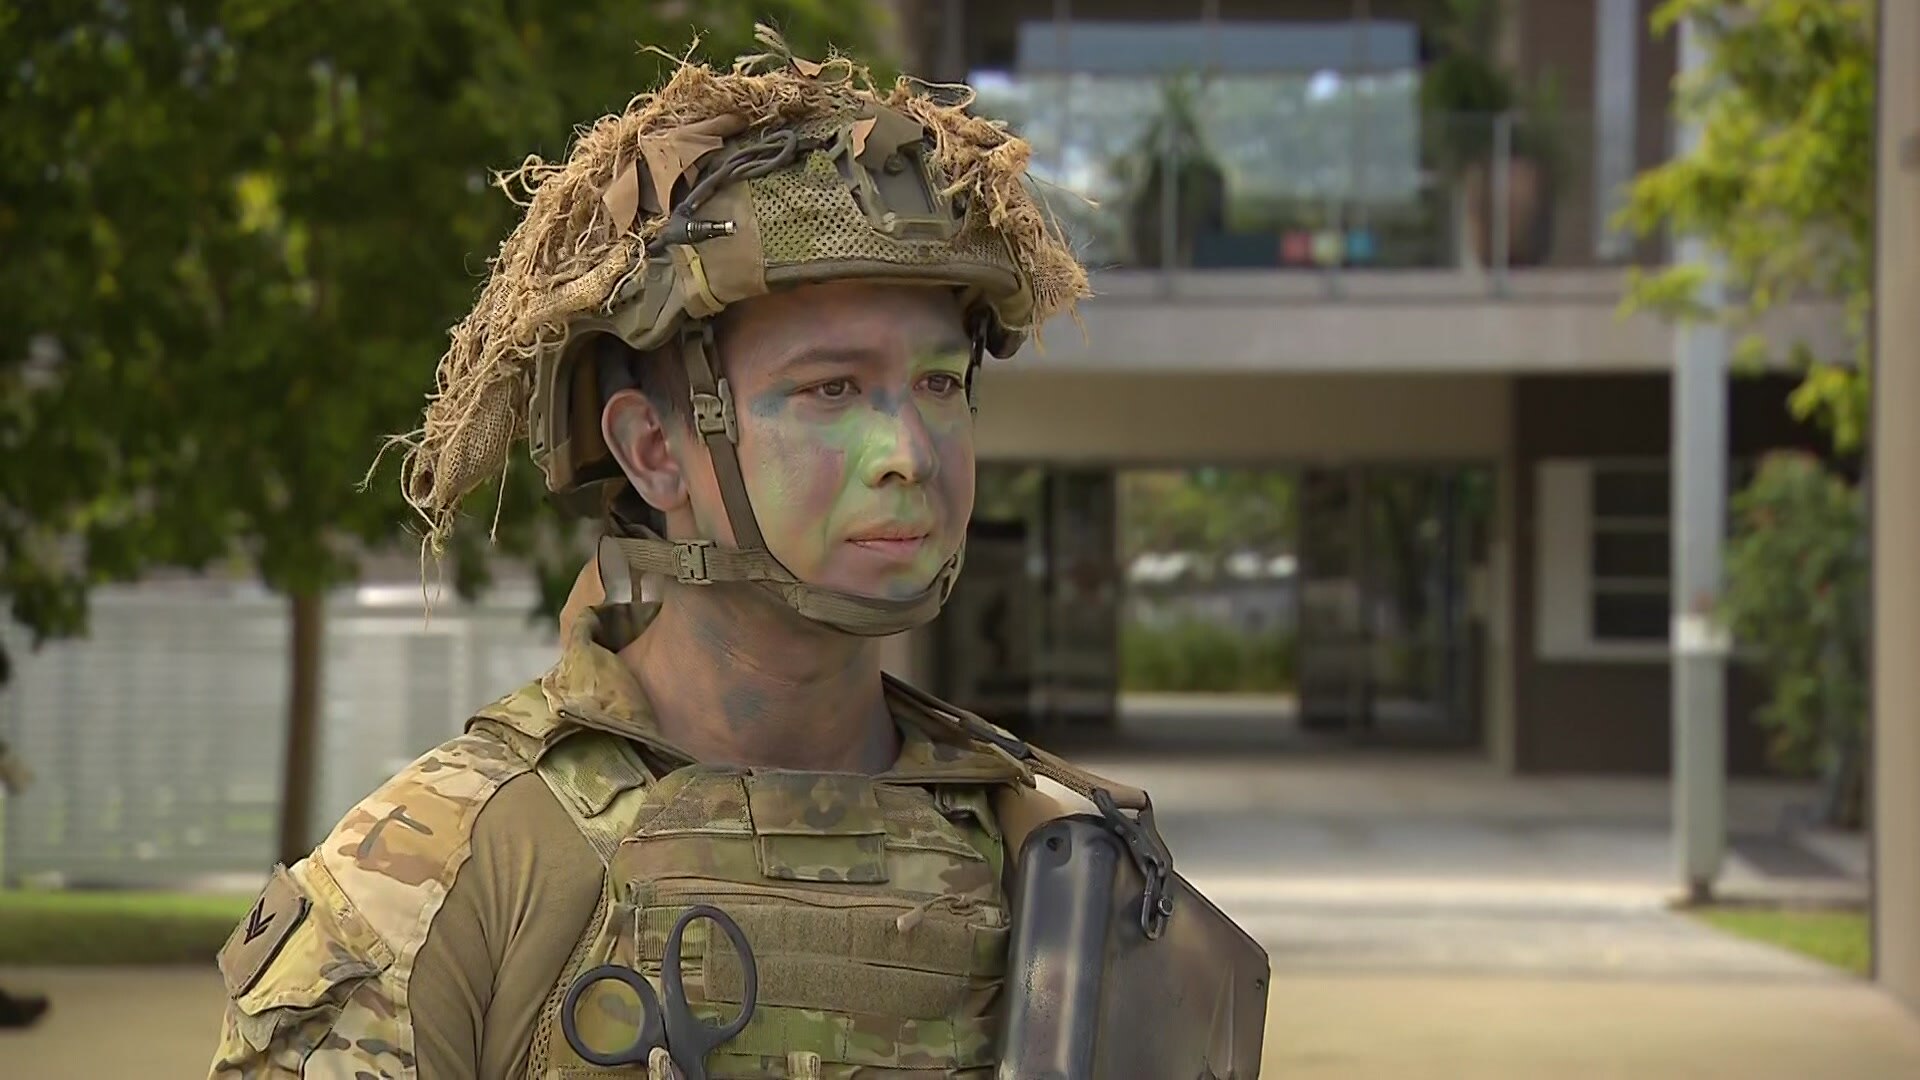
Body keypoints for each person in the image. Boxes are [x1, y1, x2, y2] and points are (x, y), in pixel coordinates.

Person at [205, 28, 1177, 1078]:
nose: (906, 454)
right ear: (657, 451)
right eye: (831, 390)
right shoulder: (440, 869)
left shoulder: (1060, 863)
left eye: (939, 385)